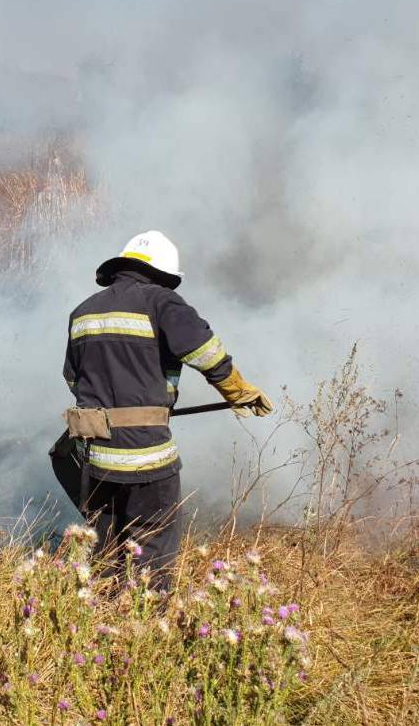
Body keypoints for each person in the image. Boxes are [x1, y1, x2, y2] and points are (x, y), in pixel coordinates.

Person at [52, 230, 273, 588]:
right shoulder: (162, 303)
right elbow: (207, 352)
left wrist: (111, 408)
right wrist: (237, 390)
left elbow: (72, 378)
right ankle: (144, 627)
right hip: (147, 458)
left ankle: (99, 627)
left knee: (105, 551)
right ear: (164, 276)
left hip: (95, 458)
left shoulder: (83, 312)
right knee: (151, 553)